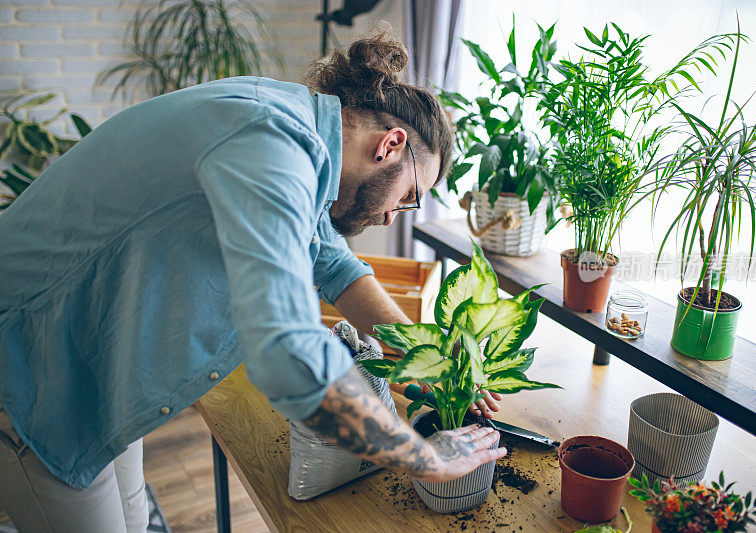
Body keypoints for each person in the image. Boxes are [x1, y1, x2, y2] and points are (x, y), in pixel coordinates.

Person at [0, 24, 505, 532]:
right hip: (33, 368)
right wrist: (424, 458)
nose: (395, 215)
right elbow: (287, 350)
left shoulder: (301, 131)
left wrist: (428, 358)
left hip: (95, 364)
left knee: (133, 513)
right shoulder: (272, 141)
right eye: (410, 194)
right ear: (391, 145)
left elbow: (334, 264)